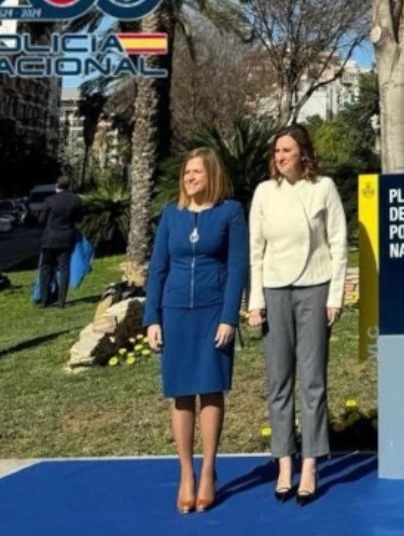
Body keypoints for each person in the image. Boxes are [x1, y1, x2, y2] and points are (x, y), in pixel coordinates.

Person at [246, 125, 348, 505]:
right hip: (274, 292)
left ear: (303, 153)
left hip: (315, 289)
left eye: (287, 150)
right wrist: (255, 301)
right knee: (278, 382)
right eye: (276, 151)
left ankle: (310, 463)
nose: (280, 156)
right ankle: (283, 462)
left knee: (313, 381)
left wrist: (334, 296)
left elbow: (339, 245)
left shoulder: (323, 188)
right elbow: (255, 251)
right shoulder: (263, 193)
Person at [143, 148, 248, 514]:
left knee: (210, 389)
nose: (190, 178)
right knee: (181, 393)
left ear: (212, 176)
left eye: (197, 173)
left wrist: (228, 317)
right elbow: (157, 268)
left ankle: (208, 472)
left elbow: (237, 269)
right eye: (187, 172)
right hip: (175, 313)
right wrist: (151, 318)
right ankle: (186, 473)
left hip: (212, 312)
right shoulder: (171, 215)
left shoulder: (230, 213)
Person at [37, 176, 84, 308]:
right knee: (64, 268)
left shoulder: (49, 200)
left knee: (45, 268)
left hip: (50, 238)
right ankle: (61, 300)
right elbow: (79, 218)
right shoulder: (76, 200)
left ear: (57, 185)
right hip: (66, 237)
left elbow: (41, 220)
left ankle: (44, 299)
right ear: (69, 186)